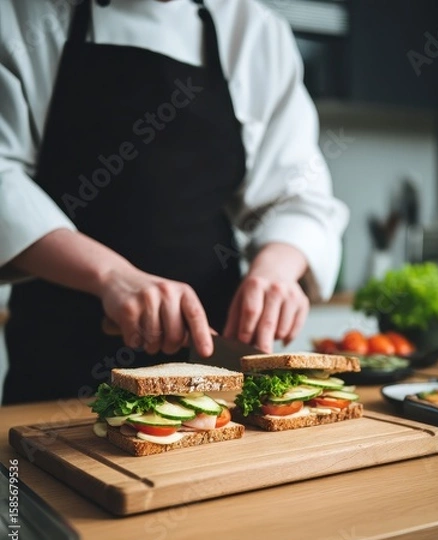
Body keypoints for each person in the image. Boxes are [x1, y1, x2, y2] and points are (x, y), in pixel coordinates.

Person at [0, 0, 349, 405]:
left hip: (213, 371)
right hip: (57, 371)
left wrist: (276, 272)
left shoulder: (254, 29)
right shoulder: (23, 14)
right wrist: (111, 276)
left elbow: (297, 193)